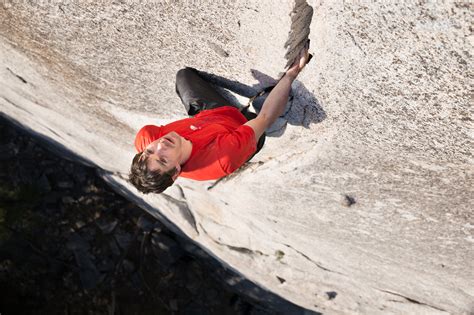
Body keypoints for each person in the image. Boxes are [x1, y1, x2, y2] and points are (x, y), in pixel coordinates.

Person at [129, 44, 310, 194]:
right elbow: (266, 117)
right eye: (163, 160)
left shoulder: (147, 138)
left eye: (149, 152)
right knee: (262, 117)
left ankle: (205, 120)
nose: (160, 146)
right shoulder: (222, 157)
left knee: (184, 76)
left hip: (207, 116)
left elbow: (152, 148)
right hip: (239, 128)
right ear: (176, 171)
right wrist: (291, 75)